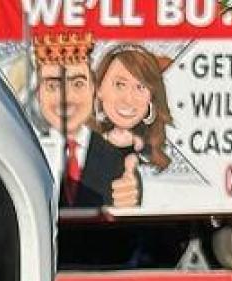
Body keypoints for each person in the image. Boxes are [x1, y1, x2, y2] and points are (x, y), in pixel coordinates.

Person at [33, 33, 135, 210]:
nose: (66, 98)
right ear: (38, 93)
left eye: (78, 84)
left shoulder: (116, 159)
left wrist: (130, 203)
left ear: (93, 90)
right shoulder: (27, 153)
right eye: (53, 86)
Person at [91, 44, 175, 210]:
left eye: (140, 87)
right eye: (120, 84)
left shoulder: (154, 153)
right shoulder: (86, 147)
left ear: (151, 97)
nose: (128, 99)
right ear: (99, 89)